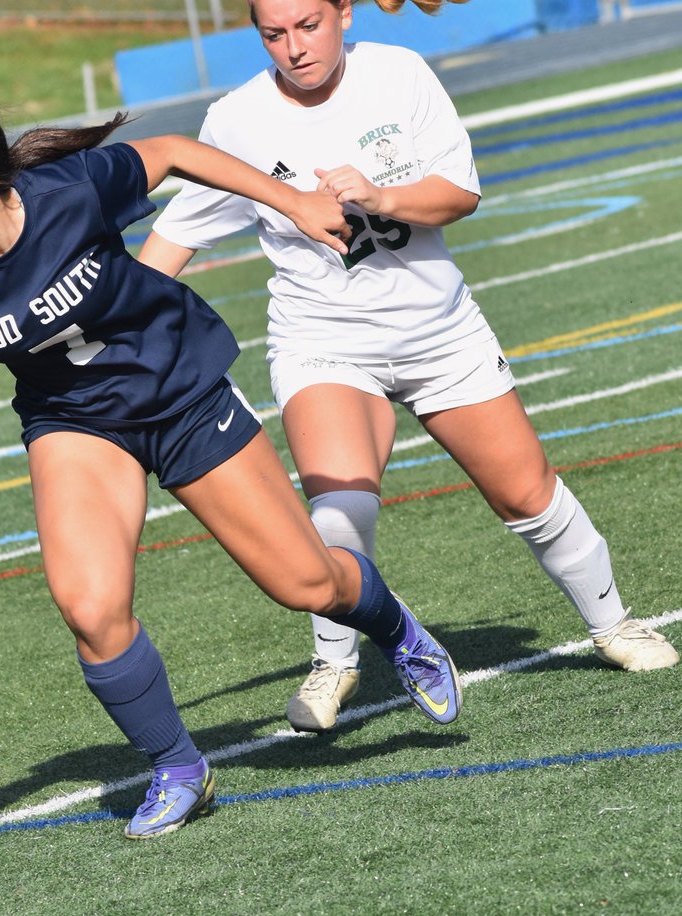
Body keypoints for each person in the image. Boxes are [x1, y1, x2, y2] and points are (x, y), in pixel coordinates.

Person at [0, 87, 463, 840]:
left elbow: (176, 152)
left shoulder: (71, 190)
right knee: (90, 609)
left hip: (182, 394)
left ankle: (393, 625)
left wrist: (293, 203)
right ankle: (179, 768)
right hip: (75, 424)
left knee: (306, 584)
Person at [138, 0, 678, 735]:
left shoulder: (399, 74)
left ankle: (613, 625)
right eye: (273, 33)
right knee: (340, 507)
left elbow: (460, 193)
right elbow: (177, 237)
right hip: (323, 338)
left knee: (527, 494)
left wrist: (381, 195)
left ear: (344, 12)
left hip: (439, 330)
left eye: (309, 25)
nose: (294, 47)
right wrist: (118, 325)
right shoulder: (237, 119)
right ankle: (334, 661)